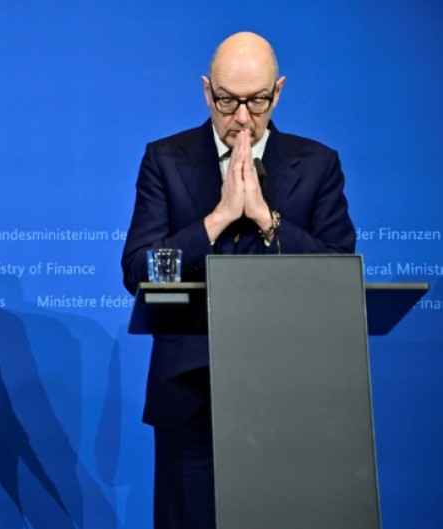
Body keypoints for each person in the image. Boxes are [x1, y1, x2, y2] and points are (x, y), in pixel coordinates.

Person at [121, 32, 355, 529]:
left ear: (279, 91)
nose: (242, 118)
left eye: (257, 101)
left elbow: (339, 272)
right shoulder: (166, 160)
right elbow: (139, 269)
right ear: (207, 91)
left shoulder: (316, 165)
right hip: (191, 395)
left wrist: (268, 220)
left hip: (291, 395)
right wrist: (217, 220)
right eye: (228, 101)